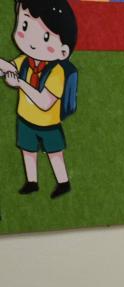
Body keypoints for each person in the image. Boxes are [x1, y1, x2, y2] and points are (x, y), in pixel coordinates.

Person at [2, 0, 77, 197]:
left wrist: (20, 84)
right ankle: (31, 182)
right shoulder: (24, 61)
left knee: (54, 154)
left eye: (45, 37)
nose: (31, 40)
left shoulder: (56, 72)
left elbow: (45, 102)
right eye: (25, 25)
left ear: (63, 51)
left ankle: (63, 183)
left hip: (48, 124)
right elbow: (9, 68)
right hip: (25, 119)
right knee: (27, 151)